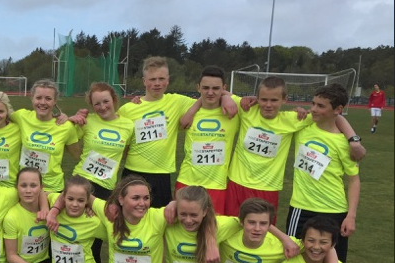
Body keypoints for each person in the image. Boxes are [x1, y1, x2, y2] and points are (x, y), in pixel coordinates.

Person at [225, 76, 364, 219]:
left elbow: (335, 116)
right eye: (264, 99)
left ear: (284, 100)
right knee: (232, 226)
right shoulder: (247, 109)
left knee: (261, 231)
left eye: (274, 100)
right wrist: (227, 98)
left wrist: (353, 140)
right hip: (236, 183)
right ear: (258, 98)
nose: (268, 105)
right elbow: (219, 92)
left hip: (267, 188)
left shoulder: (293, 119)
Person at [116, 56, 236, 208]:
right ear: (144, 81)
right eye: (152, 79)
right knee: (127, 215)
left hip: (162, 175)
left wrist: (226, 98)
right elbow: (120, 145)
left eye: (161, 79)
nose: (157, 83)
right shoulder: (127, 109)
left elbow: (207, 96)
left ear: (168, 80)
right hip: (133, 172)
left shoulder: (177, 102)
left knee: (160, 218)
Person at [285, 83, 359, 263]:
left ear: (338, 109)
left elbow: (354, 180)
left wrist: (351, 215)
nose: (313, 109)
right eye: (313, 104)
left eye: (320, 106)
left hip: (335, 211)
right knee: (293, 259)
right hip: (301, 208)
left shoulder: (343, 143)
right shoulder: (302, 127)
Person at [175, 66, 240, 215]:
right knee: (184, 226)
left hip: (216, 186)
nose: (210, 92)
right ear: (198, 88)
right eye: (205, 88)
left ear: (224, 88)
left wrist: (227, 97)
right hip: (186, 181)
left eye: (216, 88)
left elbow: (256, 103)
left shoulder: (233, 110)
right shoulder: (186, 107)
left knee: (213, 227)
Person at [10, 79, 80, 193]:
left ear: (55, 101)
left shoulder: (66, 127)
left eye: (48, 98)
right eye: (38, 98)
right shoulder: (21, 116)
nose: (42, 102)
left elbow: (77, 156)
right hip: (27, 187)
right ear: (32, 98)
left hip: (52, 189)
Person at [70, 82, 134, 200]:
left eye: (106, 101)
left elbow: (125, 152)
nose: (102, 107)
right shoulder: (87, 121)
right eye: (97, 104)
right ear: (92, 105)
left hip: (106, 185)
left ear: (114, 99)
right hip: (81, 180)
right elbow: (67, 140)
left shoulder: (128, 125)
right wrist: (70, 121)